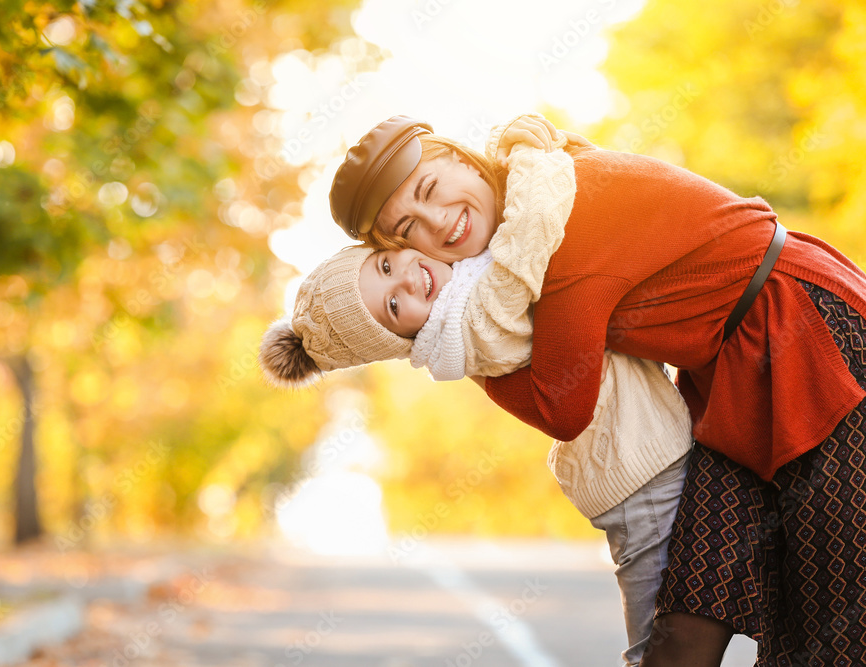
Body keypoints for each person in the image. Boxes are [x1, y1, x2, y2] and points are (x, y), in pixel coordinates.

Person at [329, 113, 866, 666]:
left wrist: (446, 345)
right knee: (690, 606)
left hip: (802, 335)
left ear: (461, 159)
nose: (437, 222)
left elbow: (563, 407)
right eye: (408, 228)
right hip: (725, 374)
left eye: (429, 189)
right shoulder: (525, 218)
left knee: (834, 625)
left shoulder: (556, 221)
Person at [263, 132, 695, 667]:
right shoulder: (473, 321)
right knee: (663, 642)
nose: (408, 280)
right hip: (636, 472)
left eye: (384, 266)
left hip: (653, 450)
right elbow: (531, 242)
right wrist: (528, 150)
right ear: (403, 338)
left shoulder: (459, 286)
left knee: (704, 615)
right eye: (394, 306)